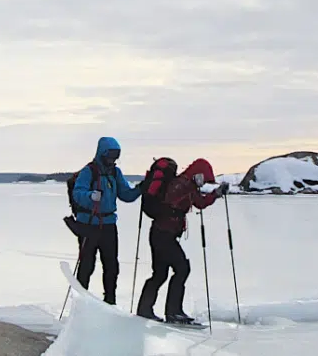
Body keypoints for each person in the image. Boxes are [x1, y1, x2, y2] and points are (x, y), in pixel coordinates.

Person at [136, 158, 228, 323]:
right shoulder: (181, 185)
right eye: (203, 179)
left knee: (160, 274)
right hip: (163, 236)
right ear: (197, 174)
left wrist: (215, 194)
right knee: (182, 268)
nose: (202, 183)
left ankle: (145, 309)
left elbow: (199, 202)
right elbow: (189, 200)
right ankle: (173, 312)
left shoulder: (185, 185)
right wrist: (206, 192)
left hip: (160, 234)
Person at [69, 137, 142, 304]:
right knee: (87, 264)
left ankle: (110, 300)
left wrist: (140, 189)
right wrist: (90, 196)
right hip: (88, 224)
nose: (112, 159)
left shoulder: (115, 173)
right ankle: (80, 301)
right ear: (102, 153)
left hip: (109, 224)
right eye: (110, 155)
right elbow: (77, 193)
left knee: (111, 265)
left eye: (115, 156)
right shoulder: (89, 171)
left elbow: (126, 195)